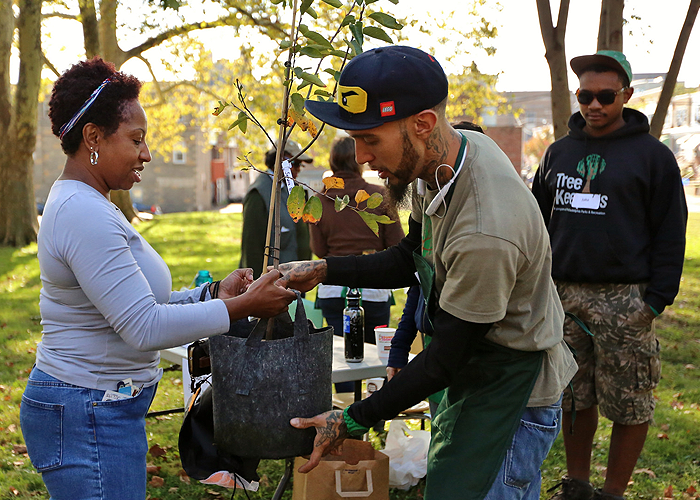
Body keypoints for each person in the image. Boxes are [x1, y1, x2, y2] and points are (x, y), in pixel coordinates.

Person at [277, 45, 578, 500]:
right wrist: (324, 268)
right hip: (473, 368)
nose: (360, 156)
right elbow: (407, 258)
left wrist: (352, 417)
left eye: (372, 139)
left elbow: (445, 359)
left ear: (423, 125)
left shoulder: (485, 232)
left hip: (512, 389)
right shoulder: (440, 164)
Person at [19, 57, 296, 500]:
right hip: (86, 412)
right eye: (136, 139)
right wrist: (241, 306)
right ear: (93, 137)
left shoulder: (93, 203)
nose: (146, 153)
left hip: (98, 406)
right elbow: (143, 327)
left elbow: (138, 303)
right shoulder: (83, 212)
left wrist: (212, 294)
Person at [532, 51, 687, 500]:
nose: (594, 105)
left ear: (627, 95)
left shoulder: (653, 157)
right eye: (585, 95)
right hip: (563, 297)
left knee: (630, 400)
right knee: (573, 397)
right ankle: (577, 485)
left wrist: (654, 301)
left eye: (605, 96)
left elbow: (670, 233)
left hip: (626, 300)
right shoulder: (557, 154)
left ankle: (614, 492)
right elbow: (538, 225)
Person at [312, 135, 404, 350]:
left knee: (341, 354)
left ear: (332, 161)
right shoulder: (379, 195)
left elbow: (319, 250)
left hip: (333, 285)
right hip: (373, 285)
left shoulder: (319, 200)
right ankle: (374, 385)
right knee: (373, 354)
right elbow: (397, 243)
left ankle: (346, 386)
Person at [239, 140, 313, 278]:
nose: (298, 169)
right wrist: (255, 287)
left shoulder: (294, 191)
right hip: (271, 286)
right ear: (281, 159)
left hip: (294, 281)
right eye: (295, 164)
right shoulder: (259, 194)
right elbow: (251, 249)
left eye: (300, 165)